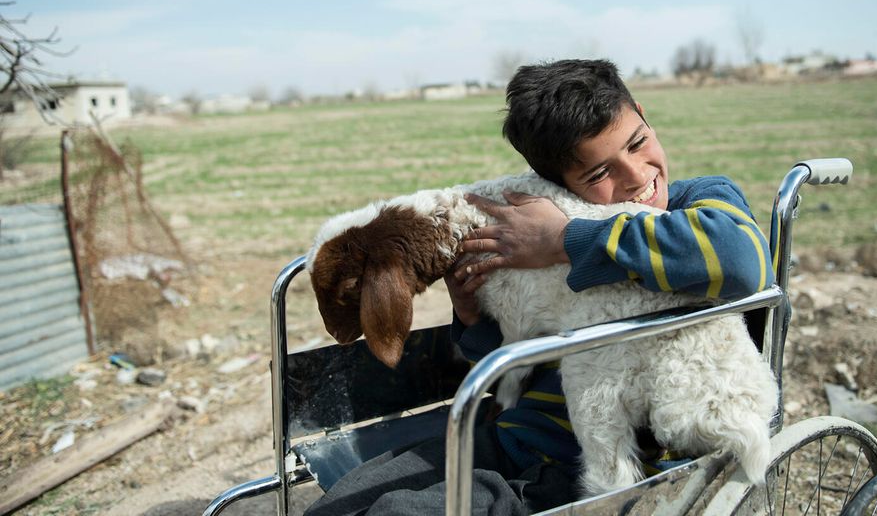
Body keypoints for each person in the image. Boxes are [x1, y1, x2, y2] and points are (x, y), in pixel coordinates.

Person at [305, 59, 772, 516]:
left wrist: (564, 239)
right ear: (553, 184)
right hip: (516, 434)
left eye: (637, 143)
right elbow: (516, 364)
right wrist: (472, 318)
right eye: (598, 174)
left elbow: (739, 260)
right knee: (344, 503)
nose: (635, 177)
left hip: (601, 461)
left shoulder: (701, 202)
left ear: (645, 116)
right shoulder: (532, 226)